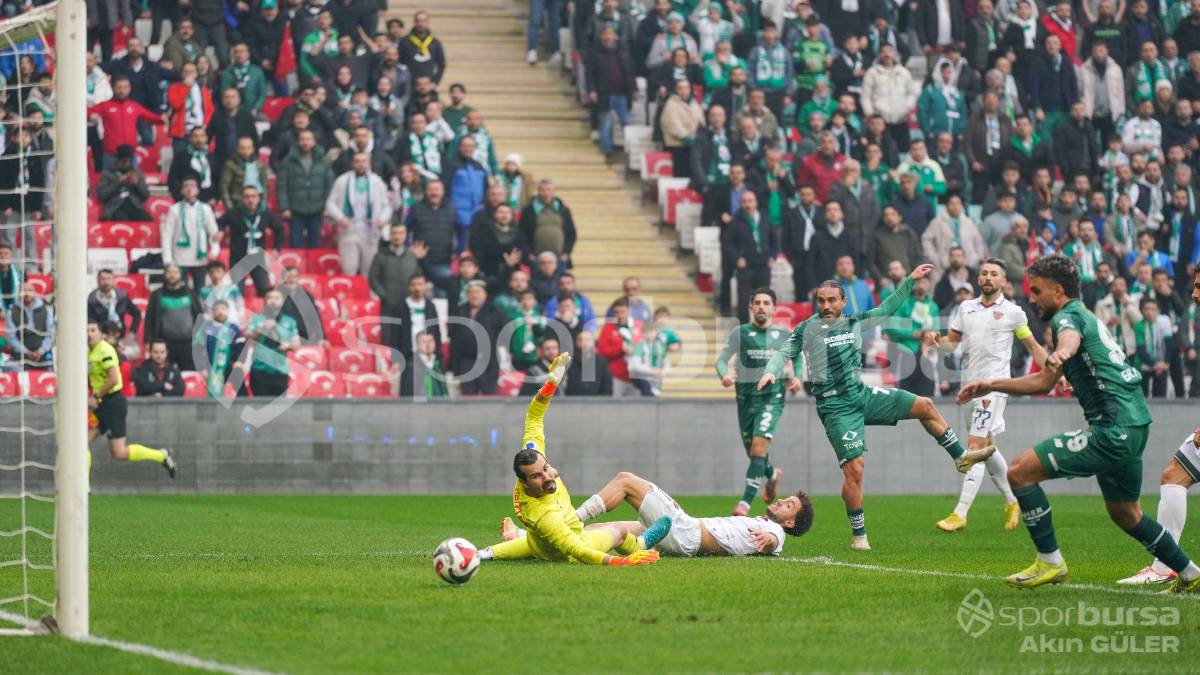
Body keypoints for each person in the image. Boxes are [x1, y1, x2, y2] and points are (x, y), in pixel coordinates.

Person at [954, 256, 1200, 592]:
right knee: (1126, 514)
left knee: (1020, 472)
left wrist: (1062, 353)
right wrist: (990, 384)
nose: (1033, 298)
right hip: (1135, 423)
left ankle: (1050, 561)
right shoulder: (1085, 315)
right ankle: (1190, 573)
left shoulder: (1067, 318)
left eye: (1037, 291)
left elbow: (1067, 341)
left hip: (1113, 428)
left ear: (1058, 290)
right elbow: (1043, 383)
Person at [759, 264, 996, 550]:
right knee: (855, 471)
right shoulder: (808, 329)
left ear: (843, 302)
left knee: (925, 405)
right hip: (836, 408)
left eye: (832, 300)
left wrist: (910, 280)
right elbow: (785, 351)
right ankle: (859, 537)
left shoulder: (855, 321)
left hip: (863, 395)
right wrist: (771, 370)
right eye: (821, 300)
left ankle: (961, 457)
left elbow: (887, 308)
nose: (826, 305)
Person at [478, 355, 668, 566]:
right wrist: (619, 561)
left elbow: (534, 416)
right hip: (566, 547)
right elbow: (577, 550)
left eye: (546, 468)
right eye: (537, 476)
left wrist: (550, 384)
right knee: (619, 532)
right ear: (524, 483)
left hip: (537, 541)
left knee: (535, 541)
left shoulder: (531, 455)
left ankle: (499, 545)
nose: (548, 476)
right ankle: (640, 544)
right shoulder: (544, 515)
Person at [925, 260, 1047, 533]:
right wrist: (937, 340)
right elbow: (952, 342)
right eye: (984, 273)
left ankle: (960, 513)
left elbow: (1033, 346)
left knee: (975, 446)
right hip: (969, 387)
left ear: (1003, 281)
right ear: (978, 278)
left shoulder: (1014, 313)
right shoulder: (965, 308)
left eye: (994, 274)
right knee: (987, 447)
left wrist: (1055, 371)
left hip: (993, 388)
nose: (988, 277)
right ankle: (1013, 501)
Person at [502, 469, 813, 557]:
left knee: (625, 481)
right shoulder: (761, 521)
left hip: (687, 533)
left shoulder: (775, 533)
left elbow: (773, 541)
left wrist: (768, 540)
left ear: (790, 522)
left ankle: (573, 519)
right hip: (685, 535)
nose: (782, 501)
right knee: (613, 530)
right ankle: (528, 538)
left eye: (789, 506)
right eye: (786, 499)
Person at [716, 288, 802, 516]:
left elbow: (798, 356)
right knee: (754, 453)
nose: (762, 306)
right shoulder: (740, 332)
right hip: (745, 399)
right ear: (751, 308)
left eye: (766, 303)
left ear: (774, 308)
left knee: (757, 449)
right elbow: (722, 360)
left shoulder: (784, 335)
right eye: (758, 303)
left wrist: (797, 378)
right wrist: (724, 375)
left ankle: (744, 504)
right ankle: (772, 475)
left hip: (771, 398)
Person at [87, 321, 177, 478]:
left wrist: (95, 396)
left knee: (119, 452)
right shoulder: (87, 351)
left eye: (93, 330)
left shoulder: (104, 350)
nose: (89, 333)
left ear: (100, 333)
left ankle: (161, 456)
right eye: (86, 330)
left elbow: (114, 379)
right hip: (99, 404)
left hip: (112, 402)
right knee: (81, 444)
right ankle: (83, 487)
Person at [326, 151, 393, 275]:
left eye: (364, 161)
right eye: (357, 162)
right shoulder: (342, 180)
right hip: (349, 229)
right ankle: (351, 293)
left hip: (370, 231)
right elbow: (330, 203)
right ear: (353, 164)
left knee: (369, 270)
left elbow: (387, 206)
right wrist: (340, 218)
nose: (361, 165)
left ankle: (365, 294)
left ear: (369, 163)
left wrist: (382, 219)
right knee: (349, 268)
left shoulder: (377, 181)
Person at [724, 191, 779, 323]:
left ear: (756, 202)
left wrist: (773, 256)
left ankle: (763, 329)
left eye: (750, 201)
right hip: (746, 266)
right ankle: (744, 331)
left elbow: (775, 240)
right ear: (740, 204)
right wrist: (737, 258)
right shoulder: (736, 221)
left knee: (764, 300)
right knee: (744, 301)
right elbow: (727, 244)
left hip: (764, 265)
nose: (747, 204)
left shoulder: (765, 218)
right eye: (744, 202)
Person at [219, 186, 281, 298]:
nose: (250, 200)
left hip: (257, 258)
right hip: (238, 258)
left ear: (258, 198)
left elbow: (279, 229)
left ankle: (266, 315)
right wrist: (220, 231)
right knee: (236, 293)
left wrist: (277, 248)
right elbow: (220, 223)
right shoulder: (234, 213)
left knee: (266, 291)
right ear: (242, 199)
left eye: (253, 196)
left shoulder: (265, 213)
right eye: (247, 197)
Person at [161, 175, 221, 289]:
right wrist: (168, 260)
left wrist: (214, 251)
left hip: (200, 260)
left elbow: (214, 233)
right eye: (186, 186)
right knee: (180, 291)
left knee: (200, 294)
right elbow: (167, 236)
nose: (189, 189)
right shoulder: (174, 209)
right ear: (182, 190)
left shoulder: (205, 209)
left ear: (198, 190)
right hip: (179, 260)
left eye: (192, 186)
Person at [145, 264, 203, 370]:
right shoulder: (157, 295)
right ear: (165, 275)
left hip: (188, 344)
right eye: (169, 272)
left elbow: (199, 317)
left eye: (175, 272)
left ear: (180, 275)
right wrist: (148, 341)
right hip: (165, 345)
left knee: (189, 375)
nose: (172, 275)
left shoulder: (191, 294)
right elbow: (149, 319)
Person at [448, 281, 502, 395]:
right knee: (468, 397)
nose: (475, 295)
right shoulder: (460, 311)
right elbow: (454, 339)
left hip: (487, 361)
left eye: (478, 292)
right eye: (471, 292)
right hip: (466, 361)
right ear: (467, 295)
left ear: (485, 294)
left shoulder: (494, 311)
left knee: (490, 397)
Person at [245, 288, 300, 398]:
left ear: (282, 301)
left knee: (278, 409)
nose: (273, 301)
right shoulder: (255, 320)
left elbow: (296, 345)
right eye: (269, 297)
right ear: (264, 300)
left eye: (277, 298)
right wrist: (261, 328)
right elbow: (248, 338)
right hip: (259, 370)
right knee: (260, 409)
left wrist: (288, 345)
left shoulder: (289, 322)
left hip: (280, 371)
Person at [97, 145, 152, 221]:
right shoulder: (108, 173)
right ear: (118, 160)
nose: (127, 164)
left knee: (145, 218)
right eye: (124, 161)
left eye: (129, 161)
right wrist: (118, 182)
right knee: (121, 218)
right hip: (115, 206)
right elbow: (102, 195)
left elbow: (145, 195)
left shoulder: (137, 172)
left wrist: (137, 184)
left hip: (134, 205)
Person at [7, 282, 54, 370]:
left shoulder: (46, 310)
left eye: (30, 290)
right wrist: (26, 352)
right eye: (24, 291)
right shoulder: (11, 312)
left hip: (43, 353)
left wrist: (41, 351)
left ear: (35, 293)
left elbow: (50, 334)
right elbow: (11, 338)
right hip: (20, 354)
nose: (27, 293)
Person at [87, 269, 142, 339]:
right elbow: (90, 321)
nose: (106, 282)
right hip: (102, 337)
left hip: (121, 336)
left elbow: (137, 313)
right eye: (103, 279)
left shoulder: (122, 296)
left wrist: (132, 332)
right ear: (97, 281)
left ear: (113, 280)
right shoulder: (92, 300)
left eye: (108, 279)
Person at [564, 330, 613, 396]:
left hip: (597, 403)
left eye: (587, 340)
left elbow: (607, 385)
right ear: (576, 342)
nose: (584, 343)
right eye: (580, 340)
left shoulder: (601, 362)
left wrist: (602, 402)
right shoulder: (569, 361)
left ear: (593, 342)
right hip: (573, 402)